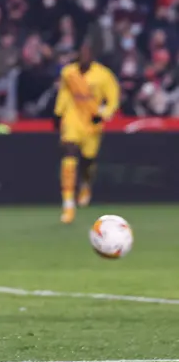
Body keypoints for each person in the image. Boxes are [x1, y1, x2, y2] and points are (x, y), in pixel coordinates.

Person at [54, 37, 119, 224]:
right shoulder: (69, 73)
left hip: (92, 123)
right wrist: (58, 113)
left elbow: (113, 98)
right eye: (81, 52)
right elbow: (64, 94)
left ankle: (86, 185)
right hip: (72, 119)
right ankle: (68, 205)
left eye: (87, 52)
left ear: (93, 55)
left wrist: (104, 114)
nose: (84, 56)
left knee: (87, 162)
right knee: (69, 152)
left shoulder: (103, 75)